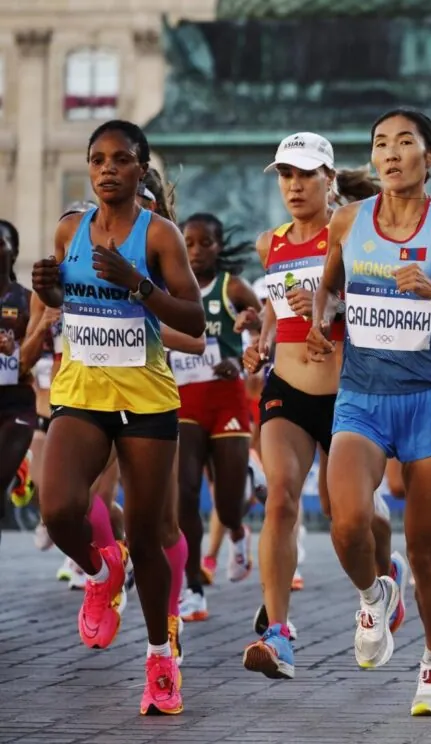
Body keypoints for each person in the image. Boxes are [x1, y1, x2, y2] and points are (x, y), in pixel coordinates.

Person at [307, 107, 431, 716]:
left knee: (426, 552)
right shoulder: (346, 221)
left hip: (427, 402)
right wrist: (322, 319)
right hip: (361, 398)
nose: (391, 153)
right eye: (380, 144)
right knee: (345, 522)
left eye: (404, 143)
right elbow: (329, 288)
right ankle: (374, 594)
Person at [31, 120, 205, 715]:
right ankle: (102, 573)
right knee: (57, 510)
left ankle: (160, 657)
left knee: (149, 538)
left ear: (140, 169)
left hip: (146, 399)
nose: (108, 168)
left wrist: (140, 288)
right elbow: (64, 305)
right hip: (79, 391)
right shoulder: (68, 231)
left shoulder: (159, 238)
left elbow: (196, 319)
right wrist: (50, 291)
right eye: (98, 159)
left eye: (122, 159)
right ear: (89, 167)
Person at [241, 134, 404, 677]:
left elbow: (384, 304)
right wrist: (261, 337)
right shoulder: (272, 243)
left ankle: (384, 578)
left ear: (328, 179)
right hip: (286, 390)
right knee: (281, 500)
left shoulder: (356, 233)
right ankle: (278, 634)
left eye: (305, 174)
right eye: (285, 174)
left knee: (347, 519)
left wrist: (331, 308)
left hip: (348, 393)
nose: (293, 185)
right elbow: (275, 303)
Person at [173, 213, 262, 622]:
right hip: (184, 400)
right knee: (185, 492)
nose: (195, 251)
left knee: (227, 506)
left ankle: (238, 532)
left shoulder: (232, 287)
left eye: (204, 243)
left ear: (219, 246)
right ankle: (192, 586)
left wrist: (249, 325)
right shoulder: (170, 289)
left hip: (227, 399)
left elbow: (265, 325)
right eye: (188, 243)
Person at [0, 219, 44, 538]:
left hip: (16, 405)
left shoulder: (27, 300)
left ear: (13, 252)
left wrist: (15, 351)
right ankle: (19, 471)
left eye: (0, 242)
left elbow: (37, 356)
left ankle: (17, 467)